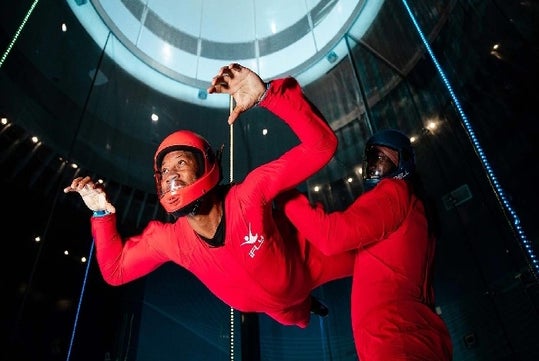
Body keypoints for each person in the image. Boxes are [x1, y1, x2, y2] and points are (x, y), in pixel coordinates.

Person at [63, 63, 355, 329]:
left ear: (206, 167)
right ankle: (308, 306)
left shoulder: (250, 194)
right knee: (296, 314)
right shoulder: (171, 241)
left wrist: (267, 96)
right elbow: (115, 271)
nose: (170, 175)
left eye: (180, 163)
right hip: (278, 309)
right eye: (164, 171)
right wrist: (102, 214)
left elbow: (322, 147)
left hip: (310, 266)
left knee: (372, 259)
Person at [278, 129, 453, 360]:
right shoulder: (410, 213)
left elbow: (331, 237)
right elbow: (337, 258)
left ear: (404, 164)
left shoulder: (395, 191)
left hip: (397, 337)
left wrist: (284, 196)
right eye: (371, 160)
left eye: (384, 159)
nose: (375, 167)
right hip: (403, 336)